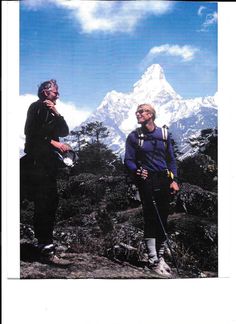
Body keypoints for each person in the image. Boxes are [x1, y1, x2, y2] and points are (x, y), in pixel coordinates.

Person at [124, 103, 179, 278]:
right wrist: (137, 171)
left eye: (142, 111)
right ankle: (152, 259)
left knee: (163, 217)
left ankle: (160, 256)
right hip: (146, 179)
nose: (138, 114)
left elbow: (171, 159)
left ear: (151, 115)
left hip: (164, 179)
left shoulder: (163, 134)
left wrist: (174, 180)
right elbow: (128, 160)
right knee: (150, 216)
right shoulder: (134, 136)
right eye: (137, 111)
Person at [22, 79, 71, 264]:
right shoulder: (35, 107)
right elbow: (31, 133)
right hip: (36, 163)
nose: (58, 95)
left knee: (50, 203)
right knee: (45, 204)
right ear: (45, 92)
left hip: (48, 164)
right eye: (55, 92)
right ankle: (46, 250)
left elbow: (64, 131)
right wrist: (54, 143)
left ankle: (45, 246)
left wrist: (56, 111)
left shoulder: (50, 111)